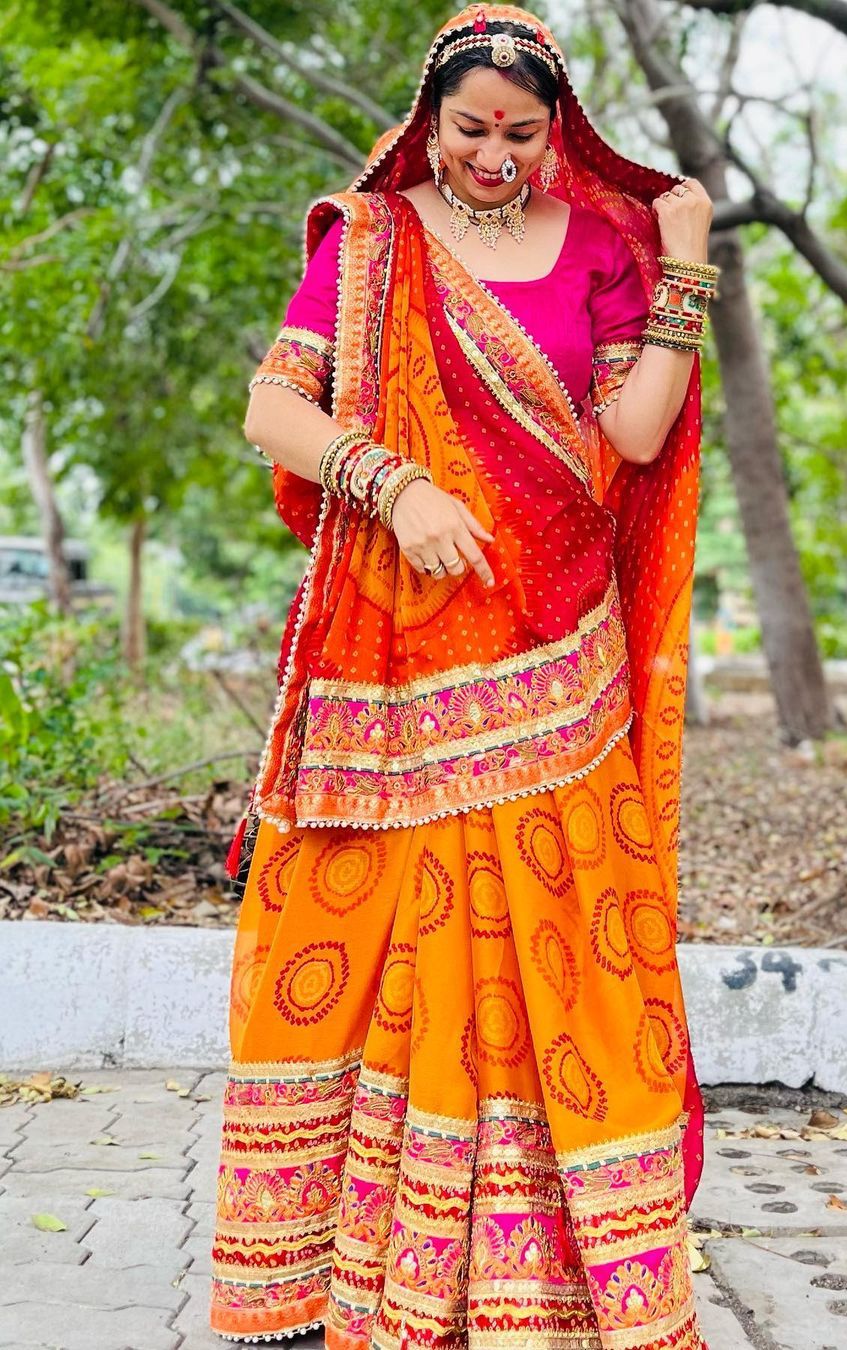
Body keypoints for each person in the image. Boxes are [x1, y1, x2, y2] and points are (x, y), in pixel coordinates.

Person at [209, 6, 716, 1346]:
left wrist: (688, 262)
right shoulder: (373, 245)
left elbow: (637, 428)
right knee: (371, 952)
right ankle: (350, 1282)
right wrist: (393, 479)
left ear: (560, 133)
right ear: (428, 122)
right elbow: (274, 409)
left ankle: (559, 1291)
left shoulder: (605, 249)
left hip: (562, 663)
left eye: (522, 134)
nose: (494, 156)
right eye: (470, 129)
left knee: (574, 976)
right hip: (401, 673)